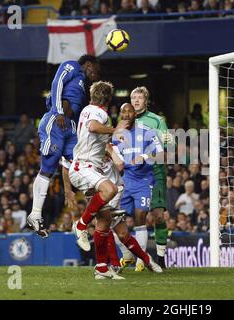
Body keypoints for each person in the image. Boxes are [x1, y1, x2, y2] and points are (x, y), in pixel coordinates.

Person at [27, 54, 100, 238]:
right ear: (89, 64)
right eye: (95, 70)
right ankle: (35, 214)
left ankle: (100, 207)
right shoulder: (72, 66)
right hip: (56, 121)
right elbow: (56, 84)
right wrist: (59, 111)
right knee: (48, 167)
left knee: (82, 165)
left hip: (71, 127)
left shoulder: (85, 86)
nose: (96, 74)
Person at [68, 81, 130, 279]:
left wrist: (111, 142)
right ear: (108, 99)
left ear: (92, 96)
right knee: (110, 190)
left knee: (104, 221)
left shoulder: (86, 109)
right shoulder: (99, 114)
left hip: (88, 168)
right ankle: (81, 224)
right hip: (83, 167)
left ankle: (102, 268)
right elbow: (93, 127)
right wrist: (115, 131)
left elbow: (93, 135)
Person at [112, 103, 164, 272]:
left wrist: (143, 156)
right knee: (114, 220)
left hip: (143, 181)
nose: (126, 114)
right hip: (124, 182)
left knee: (140, 216)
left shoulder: (147, 131)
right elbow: (112, 154)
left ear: (135, 113)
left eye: (129, 111)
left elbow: (160, 151)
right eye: (123, 112)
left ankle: (141, 260)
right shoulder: (117, 135)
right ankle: (127, 253)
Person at [130, 86, 171, 268]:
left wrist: (170, 140)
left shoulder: (156, 120)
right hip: (134, 174)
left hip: (155, 172)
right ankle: (136, 257)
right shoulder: (126, 120)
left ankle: (161, 257)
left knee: (158, 216)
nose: (136, 101)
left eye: (140, 98)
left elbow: (168, 143)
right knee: (136, 216)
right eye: (134, 98)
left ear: (146, 101)